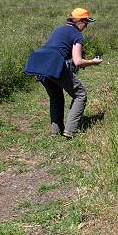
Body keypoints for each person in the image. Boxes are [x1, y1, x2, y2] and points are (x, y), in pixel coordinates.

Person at [23, 8, 103, 138]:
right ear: (79, 21)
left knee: (56, 97)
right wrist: (93, 62)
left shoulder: (59, 29)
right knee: (80, 94)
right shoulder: (77, 35)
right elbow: (78, 62)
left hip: (39, 63)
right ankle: (70, 131)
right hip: (53, 63)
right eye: (86, 22)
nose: (86, 26)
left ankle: (56, 131)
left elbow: (57, 47)